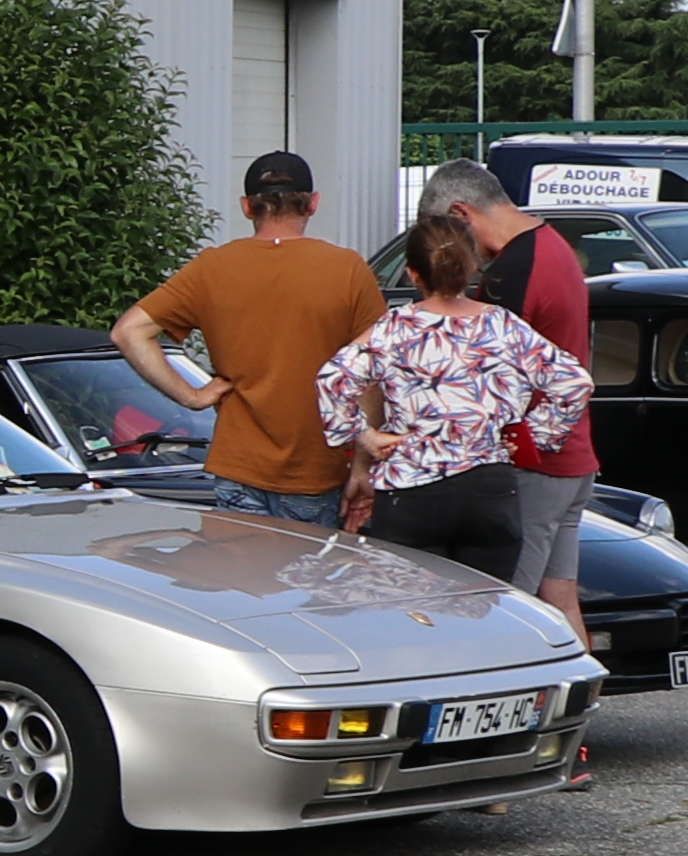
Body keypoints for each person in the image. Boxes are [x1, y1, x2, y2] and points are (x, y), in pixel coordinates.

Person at [314, 204, 589, 583]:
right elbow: (573, 382)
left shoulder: (396, 328)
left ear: (413, 274)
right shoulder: (502, 325)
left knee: (415, 615)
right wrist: (532, 438)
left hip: (412, 489)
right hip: (489, 489)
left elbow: (333, 379)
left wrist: (366, 436)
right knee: (484, 611)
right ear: (473, 266)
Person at [112, 152, 387, 524]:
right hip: (316, 470)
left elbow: (128, 331)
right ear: (314, 203)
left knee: (244, 580)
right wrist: (363, 465)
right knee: (306, 582)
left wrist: (191, 396)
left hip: (237, 467)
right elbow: (373, 375)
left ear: (247, 207)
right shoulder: (348, 269)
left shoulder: (212, 267)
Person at [420, 160, 597, 625]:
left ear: (461, 213)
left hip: (535, 464)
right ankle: (584, 696)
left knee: (507, 610)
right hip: (573, 457)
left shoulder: (512, 273)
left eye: (449, 237)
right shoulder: (552, 245)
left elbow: (485, 375)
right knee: (560, 600)